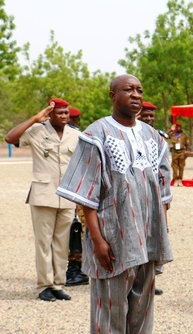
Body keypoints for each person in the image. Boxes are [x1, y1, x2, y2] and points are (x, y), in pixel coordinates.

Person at [56, 74, 173, 333]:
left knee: (142, 310)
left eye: (139, 90)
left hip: (148, 238)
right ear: (112, 95)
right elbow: (87, 193)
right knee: (110, 311)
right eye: (128, 90)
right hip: (113, 237)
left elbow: (162, 191)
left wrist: (161, 231)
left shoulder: (153, 137)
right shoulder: (97, 133)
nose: (136, 95)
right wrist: (97, 240)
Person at [5, 98, 81, 302]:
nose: (65, 116)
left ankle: (58, 284)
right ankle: (44, 285)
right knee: (43, 242)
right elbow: (10, 138)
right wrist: (34, 119)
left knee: (61, 243)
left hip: (66, 195)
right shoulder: (37, 131)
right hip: (43, 194)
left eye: (67, 113)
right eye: (60, 113)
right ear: (50, 113)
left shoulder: (75, 135)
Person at [137, 100, 170, 296]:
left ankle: (149, 280)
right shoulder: (126, 135)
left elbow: (164, 172)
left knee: (153, 238)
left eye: (151, 116)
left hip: (155, 199)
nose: (148, 119)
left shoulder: (158, 140)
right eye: (144, 116)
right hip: (133, 198)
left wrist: (165, 203)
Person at [63, 105, 90, 287]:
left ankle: (77, 270)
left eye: (72, 120)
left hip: (76, 193)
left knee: (77, 231)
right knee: (70, 232)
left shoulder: (79, 138)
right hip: (65, 192)